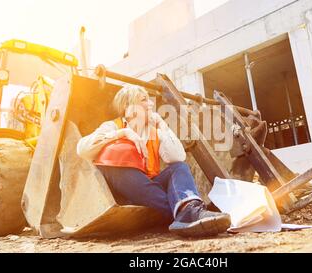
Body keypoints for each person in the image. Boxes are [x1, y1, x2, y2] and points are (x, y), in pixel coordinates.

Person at [76, 84, 231, 237]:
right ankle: (187, 213)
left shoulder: (154, 131)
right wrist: (123, 133)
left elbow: (177, 156)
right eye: (144, 100)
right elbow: (82, 149)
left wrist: (162, 125)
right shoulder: (113, 126)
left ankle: (187, 212)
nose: (151, 104)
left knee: (179, 168)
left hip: (152, 191)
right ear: (128, 108)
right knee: (114, 160)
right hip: (126, 191)